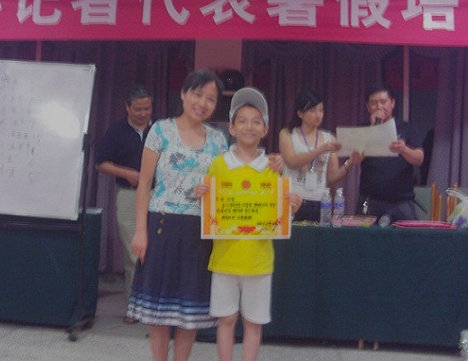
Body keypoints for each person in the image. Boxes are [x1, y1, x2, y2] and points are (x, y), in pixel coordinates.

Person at [127, 69, 229, 361]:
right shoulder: (161, 130)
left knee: (189, 311)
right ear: (183, 94)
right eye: (197, 94)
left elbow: (225, 186)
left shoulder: (219, 140)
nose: (203, 103)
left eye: (210, 99)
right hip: (162, 225)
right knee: (158, 310)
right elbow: (145, 182)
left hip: (199, 231)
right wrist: (140, 231)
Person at [197, 87, 302, 361]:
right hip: (224, 259)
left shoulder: (273, 168)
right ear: (231, 128)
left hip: (259, 260)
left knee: (254, 324)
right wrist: (201, 195)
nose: (249, 126)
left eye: (256, 121)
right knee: (226, 320)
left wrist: (291, 206)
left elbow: (279, 214)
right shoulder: (219, 166)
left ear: (265, 129)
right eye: (242, 121)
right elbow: (210, 211)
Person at [95, 84, 153, 324]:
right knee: (133, 251)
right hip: (129, 195)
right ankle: (133, 304)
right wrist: (126, 173)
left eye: (147, 108)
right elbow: (100, 163)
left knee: (157, 251)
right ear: (127, 107)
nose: (143, 113)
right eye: (138, 109)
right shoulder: (116, 131)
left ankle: (154, 304)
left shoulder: (159, 130)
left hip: (157, 195)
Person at [279, 91, 362, 221]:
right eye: (312, 110)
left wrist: (350, 162)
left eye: (321, 110)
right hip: (292, 200)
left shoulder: (329, 138)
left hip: (320, 201)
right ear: (300, 113)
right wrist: (320, 150)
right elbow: (291, 162)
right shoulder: (287, 134)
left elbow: (332, 177)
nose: (318, 115)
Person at [357, 82, 424, 220]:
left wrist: (404, 149)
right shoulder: (362, 129)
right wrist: (373, 129)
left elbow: (419, 159)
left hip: (401, 201)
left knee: (408, 234)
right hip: (369, 200)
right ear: (368, 106)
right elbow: (355, 156)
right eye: (374, 103)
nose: (379, 107)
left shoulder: (407, 128)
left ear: (392, 103)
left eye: (383, 102)